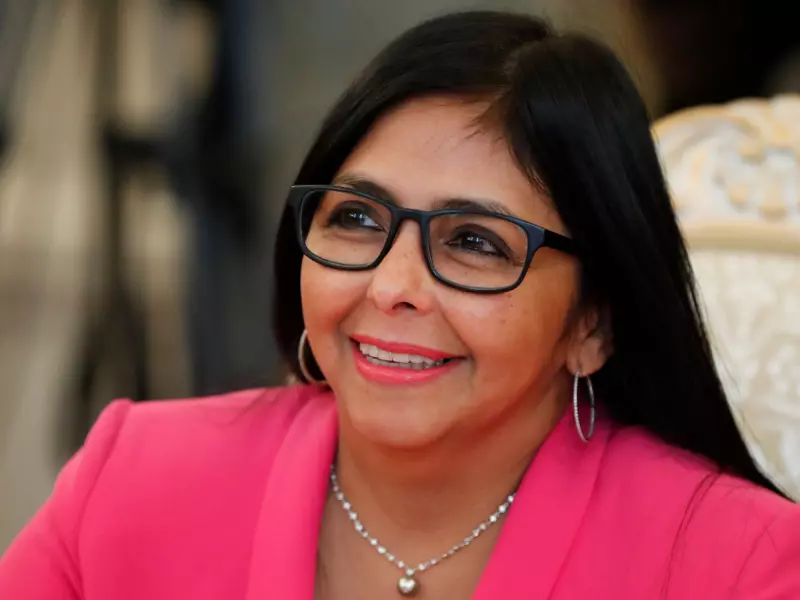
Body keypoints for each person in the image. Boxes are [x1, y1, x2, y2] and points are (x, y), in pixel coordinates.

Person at [1, 10, 799, 599]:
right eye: (356, 219)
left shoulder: (736, 563)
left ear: (592, 323)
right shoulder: (134, 480)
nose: (391, 287)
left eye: (475, 242)